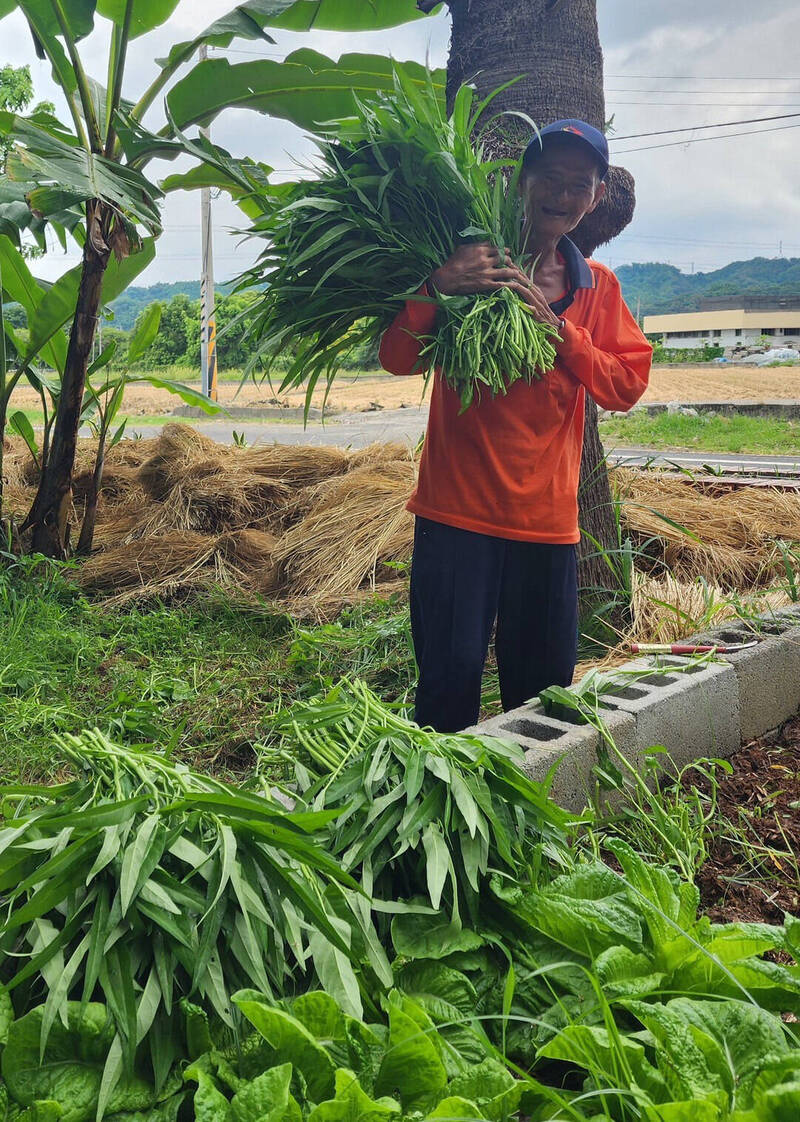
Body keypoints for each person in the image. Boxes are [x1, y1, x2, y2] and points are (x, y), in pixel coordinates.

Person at [379, 119, 652, 733]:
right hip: (456, 516)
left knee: (541, 696)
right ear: (521, 182)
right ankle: (445, 818)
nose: (560, 196)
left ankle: (526, 813)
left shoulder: (597, 290)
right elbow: (395, 357)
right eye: (549, 179)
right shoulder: (468, 264)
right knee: (447, 687)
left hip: (546, 525)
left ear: (596, 196)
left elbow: (626, 385)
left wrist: (558, 334)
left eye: (577, 185)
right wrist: (440, 284)